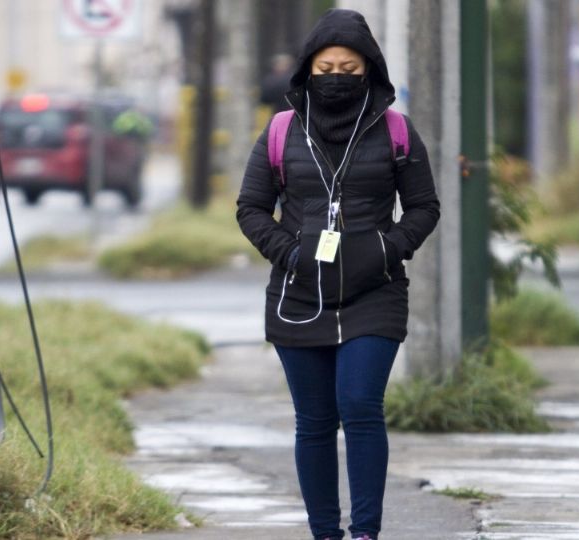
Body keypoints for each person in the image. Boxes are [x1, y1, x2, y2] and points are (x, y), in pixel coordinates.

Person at [236, 8, 440, 540]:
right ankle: (325, 532)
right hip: (298, 293)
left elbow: (423, 208)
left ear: (370, 70)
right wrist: (292, 254)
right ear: (307, 70)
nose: (337, 77)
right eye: (326, 67)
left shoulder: (396, 129)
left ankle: (366, 532)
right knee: (316, 421)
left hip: (376, 292)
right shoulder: (282, 129)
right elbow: (252, 208)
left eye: (349, 69)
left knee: (360, 405)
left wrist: (387, 250)